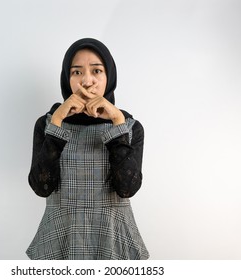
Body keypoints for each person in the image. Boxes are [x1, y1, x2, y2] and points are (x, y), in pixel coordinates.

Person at [26, 38, 149, 260]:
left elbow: (127, 188)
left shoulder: (130, 127)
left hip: (112, 239)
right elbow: (41, 187)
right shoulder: (47, 124)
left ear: (109, 76)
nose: (87, 81)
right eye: (76, 72)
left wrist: (117, 122)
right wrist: (58, 120)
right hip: (59, 239)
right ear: (67, 78)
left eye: (97, 71)